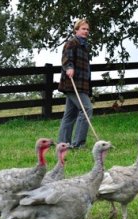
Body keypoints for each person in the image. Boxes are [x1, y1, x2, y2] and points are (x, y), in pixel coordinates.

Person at [57, 19, 92, 149]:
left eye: (87, 29)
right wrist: (69, 67)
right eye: (83, 29)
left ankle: (63, 144)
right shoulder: (71, 43)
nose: (86, 31)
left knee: (70, 114)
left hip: (81, 85)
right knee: (87, 109)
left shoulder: (84, 46)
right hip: (72, 84)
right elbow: (67, 58)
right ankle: (78, 144)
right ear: (76, 30)